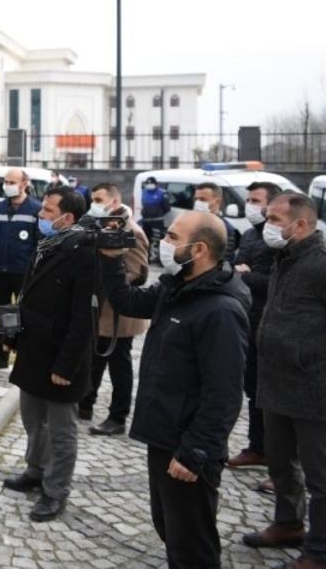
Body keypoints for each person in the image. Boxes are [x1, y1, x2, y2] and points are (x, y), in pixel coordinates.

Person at [99, 211, 249, 568]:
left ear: (198, 249)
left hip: (188, 445)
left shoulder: (220, 310)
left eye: (171, 237)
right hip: (163, 433)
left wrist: (195, 450)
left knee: (191, 545)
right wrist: (110, 261)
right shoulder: (177, 285)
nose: (163, 243)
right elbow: (129, 302)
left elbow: (224, 392)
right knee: (169, 526)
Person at [2, 186, 94, 523]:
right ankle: (35, 471)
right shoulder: (50, 242)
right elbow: (30, 293)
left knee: (60, 430)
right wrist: (14, 335)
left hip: (61, 360)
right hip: (33, 351)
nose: (40, 216)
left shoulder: (85, 253)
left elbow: (84, 318)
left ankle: (55, 492)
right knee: (32, 420)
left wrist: (66, 365)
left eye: (48, 212)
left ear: (68, 217)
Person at [244, 193, 326, 567]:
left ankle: (320, 549)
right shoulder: (284, 258)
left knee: (319, 475)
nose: (268, 225)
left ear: (301, 225)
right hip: (275, 381)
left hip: (313, 387)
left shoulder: (320, 264)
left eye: (275, 219)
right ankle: (288, 523)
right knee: (280, 462)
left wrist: (309, 357)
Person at [78, 183, 150, 435]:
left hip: (119, 311)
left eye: (99, 199)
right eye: (92, 198)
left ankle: (118, 417)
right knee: (95, 358)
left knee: (119, 364)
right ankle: (85, 403)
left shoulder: (131, 230)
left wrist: (111, 283)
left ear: (115, 201)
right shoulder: (101, 225)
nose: (94, 203)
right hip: (98, 307)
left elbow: (139, 272)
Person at [227, 181, 282, 475]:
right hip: (247, 322)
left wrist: (246, 274)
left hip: (270, 325)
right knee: (253, 391)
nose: (250, 204)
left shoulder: (280, 242)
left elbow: (272, 281)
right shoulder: (248, 234)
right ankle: (257, 447)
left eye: (256, 200)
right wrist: (245, 273)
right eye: (247, 199)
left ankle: (282, 460)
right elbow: (236, 269)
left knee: (272, 396)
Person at [0, 168, 41, 371]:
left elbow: (40, 244)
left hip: (24, 273)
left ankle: (25, 358)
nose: (8, 185)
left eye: (12, 181)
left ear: (24, 184)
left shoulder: (36, 210)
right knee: (1, 314)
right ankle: (0, 355)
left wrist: (36, 273)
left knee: (26, 316)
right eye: (6, 181)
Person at [193, 182, 240, 263]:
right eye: (196, 199)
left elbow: (223, 260)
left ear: (217, 201)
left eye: (202, 199)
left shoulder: (225, 229)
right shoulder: (193, 223)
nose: (197, 203)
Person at [139, 176, 171, 259]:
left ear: (156, 184)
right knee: (146, 240)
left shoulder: (162, 193)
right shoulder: (144, 192)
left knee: (158, 240)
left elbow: (167, 208)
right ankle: (147, 257)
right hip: (146, 221)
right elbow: (143, 205)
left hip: (157, 221)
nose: (149, 185)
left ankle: (159, 258)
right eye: (148, 183)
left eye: (151, 183)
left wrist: (158, 214)